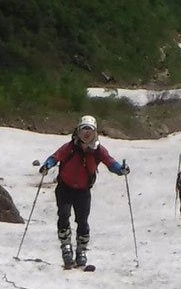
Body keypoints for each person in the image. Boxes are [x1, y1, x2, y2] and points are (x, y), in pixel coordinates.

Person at [42, 115, 129, 269]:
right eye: (84, 130)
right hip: (65, 188)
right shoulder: (69, 148)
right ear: (78, 131)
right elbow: (55, 157)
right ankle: (66, 248)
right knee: (64, 215)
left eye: (90, 130)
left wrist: (120, 170)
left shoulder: (98, 151)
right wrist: (47, 165)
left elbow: (110, 163)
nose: (86, 134)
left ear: (95, 132)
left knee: (82, 221)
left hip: (83, 191)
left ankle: (81, 251)